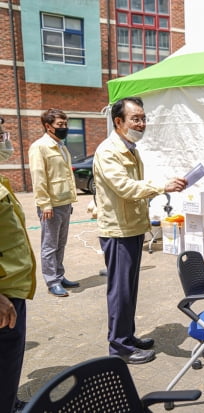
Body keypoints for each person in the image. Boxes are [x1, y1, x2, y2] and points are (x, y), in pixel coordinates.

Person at [94, 97, 187, 364]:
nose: (141, 123)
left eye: (143, 118)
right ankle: (119, 346)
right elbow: (124, 187)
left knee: (129, 289)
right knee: (120, 290)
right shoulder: (108, 151)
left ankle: (127, 335)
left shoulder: (130, 148)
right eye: (136, 118)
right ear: (118, 122)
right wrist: (161, 186)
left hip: (132, 227)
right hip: (118, 230)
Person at [0, 118, 36, 413]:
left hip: (12, 287)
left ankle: (10, 401)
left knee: (10, 360)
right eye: (0, 135)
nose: (5, 141)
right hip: (2, 296)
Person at [28, 109, 79, 297]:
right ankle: (52, 282)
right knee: (49, 245)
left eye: (65, 124)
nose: (64, 128)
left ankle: (59, 274)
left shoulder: (61, 146)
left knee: (61, 243)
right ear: (48, 126)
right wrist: (44, 204)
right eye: (60, 125)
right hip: (50, 205)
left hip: (64, 202)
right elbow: (38, 177)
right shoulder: (39, 147)